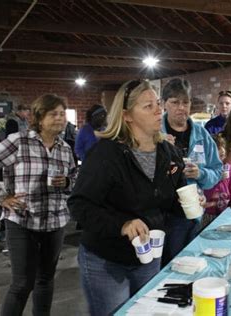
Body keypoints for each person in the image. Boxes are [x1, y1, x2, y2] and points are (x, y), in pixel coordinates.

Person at [67, 80, 187, 315]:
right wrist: (121, 224)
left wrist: (190, 202)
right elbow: (79, 205)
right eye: (148, 106)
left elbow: (173, 202)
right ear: (127, 116)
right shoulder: (106, 154)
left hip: (149, 255)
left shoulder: (169, 153)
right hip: (107, 259)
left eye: (158, 104)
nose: (158, 110)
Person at [0, 94, 76, 316]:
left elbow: (74, 178)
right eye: (53, 114)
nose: (60, 118)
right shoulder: (18, 141)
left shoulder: (65, 148)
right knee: (22, 284)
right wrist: (1, 197)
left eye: (62, 114)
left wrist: (68, 181)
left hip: (55, 221)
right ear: (39, 117)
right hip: (23, 220)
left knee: (45, 280)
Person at [161, 78, 222, 262]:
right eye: (175, 102)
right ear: (164, 105)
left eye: (185, 102)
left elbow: (217, 171)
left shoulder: (201, 135)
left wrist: (200, 174)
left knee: (189, 263)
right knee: (163, 269)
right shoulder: (155, 134)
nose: (181, 108)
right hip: (161, 215)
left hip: (192, 214)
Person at [0, 103, 31, 243]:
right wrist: (0, 197)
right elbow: (11, 143)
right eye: (26, 111)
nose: (28, 114)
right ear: (20, 111)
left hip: (19, 164)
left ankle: (6, 231)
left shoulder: (24, 122)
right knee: (10, 195)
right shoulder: (12, 122)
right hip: (10, 163)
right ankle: (5, 232)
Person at [201, 135, 231, 229]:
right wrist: (217, 178)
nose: (222, 150)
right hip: (208, 212)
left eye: (222, 147)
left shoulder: (228, 167)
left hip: (224, 211)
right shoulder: (206, 170)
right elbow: (204, 189)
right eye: (217, 150)